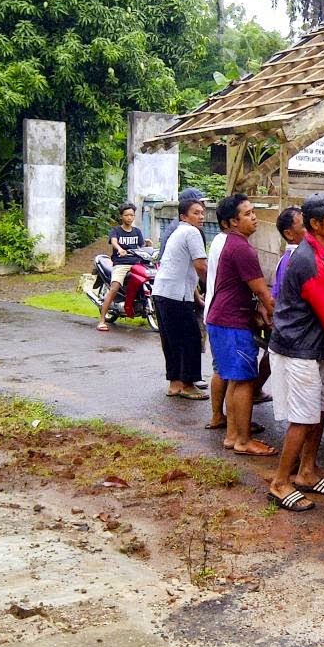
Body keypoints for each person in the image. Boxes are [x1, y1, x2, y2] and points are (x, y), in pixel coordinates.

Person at [267, 194, 324, 513]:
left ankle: (306, 472)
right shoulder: (308, 260)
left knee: (319, 410)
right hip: (297, 349)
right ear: (315, 224)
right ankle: (280, 483)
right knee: (303, 418)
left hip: (312, 346)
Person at [204, 194, 277, 456]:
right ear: (232, 222)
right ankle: (244, 441)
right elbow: (263, 292)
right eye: (247, 214)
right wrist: (277, 318)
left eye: (253, 211)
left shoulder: (231, 244)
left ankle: (233, 435)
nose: (254, 217)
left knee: (236, 381)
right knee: (245, 381)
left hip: (222, 320)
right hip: (231, 323)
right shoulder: (242, 248)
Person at [152, 199, 208, 400]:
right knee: (190, 338)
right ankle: (188, 384)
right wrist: (215, 288)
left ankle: (174, 383)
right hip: (175, 295)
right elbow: (200, 266)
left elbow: (182, 268)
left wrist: (197, 296)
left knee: (171, 340)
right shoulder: (191, 232)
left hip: (162, 291)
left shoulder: (177, 232)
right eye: (196, 213)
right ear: (184, 216)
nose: (201, 217)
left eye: (202, 212)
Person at [97, 202, 151, 331]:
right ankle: (102, 320)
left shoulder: (137, 231)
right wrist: (120, 249)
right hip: (121, 264)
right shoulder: (116, 230)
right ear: (121, 216)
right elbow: (114, 241)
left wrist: (147, 245)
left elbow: (141, 247)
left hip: (136, 263)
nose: (130, 218)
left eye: (132, 215)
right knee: (114, 287)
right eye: (127, 215)